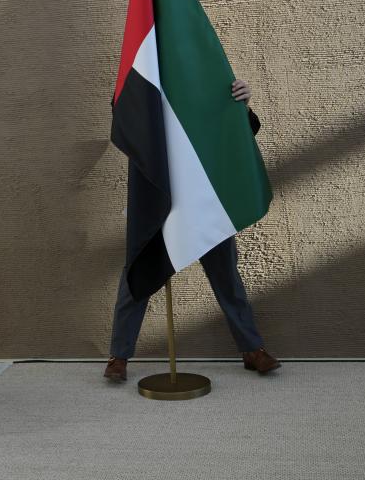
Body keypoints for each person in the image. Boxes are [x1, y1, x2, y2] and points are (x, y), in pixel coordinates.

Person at [104, 79, 281, 382]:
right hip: (155, 194)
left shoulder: (201, 71)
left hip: (202, 194)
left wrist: (240, 104)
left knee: (225, 272)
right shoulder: (140, 73)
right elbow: (124, 118)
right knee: (138, 271)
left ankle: (252, 349)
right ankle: (118, 355)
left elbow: (238, 131)